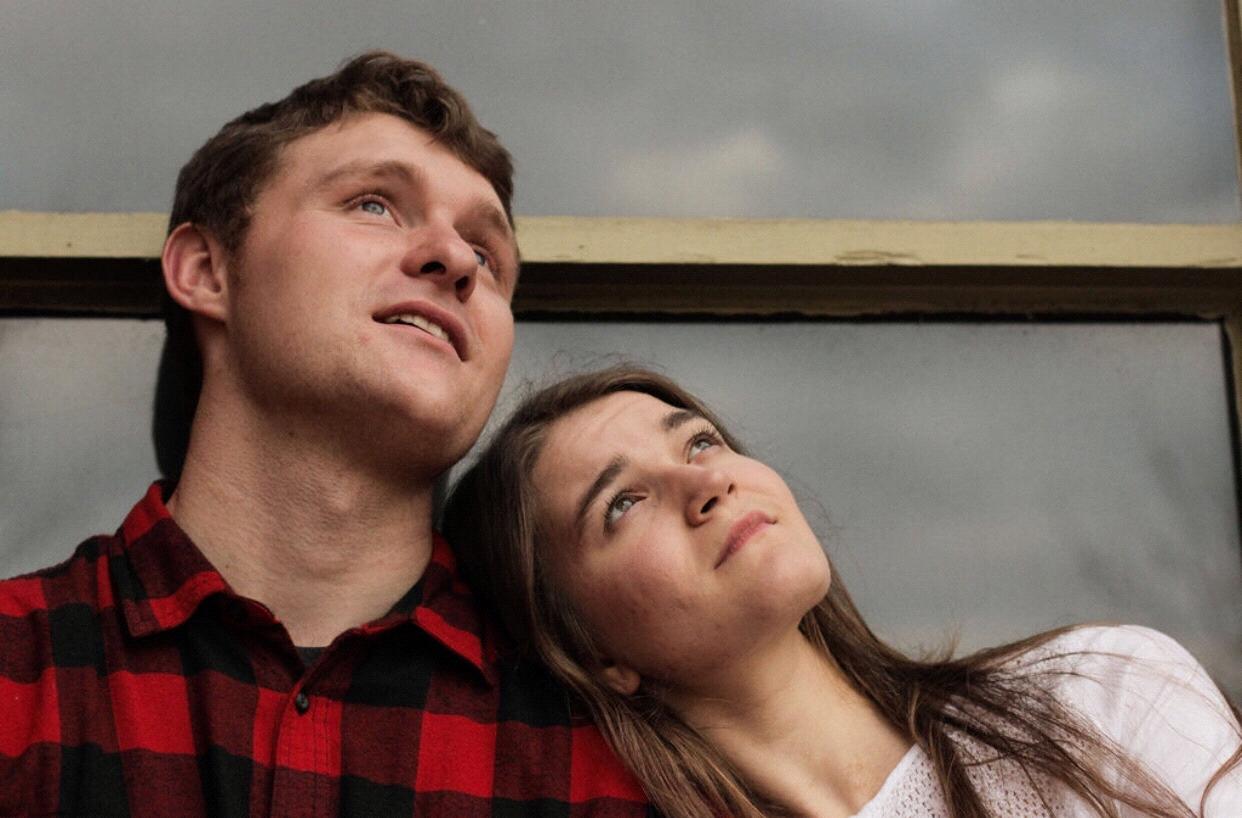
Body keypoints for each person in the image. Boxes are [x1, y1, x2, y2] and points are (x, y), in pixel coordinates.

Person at [0, 54, 652, 816]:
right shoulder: (17, 672)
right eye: (375, 205)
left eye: (486, 255)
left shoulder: (607, 764)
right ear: (207, 270)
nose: (455, 261)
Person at [443, 365, 1242, 818]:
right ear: (591, 651)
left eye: (700, 441)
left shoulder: (1100, 698)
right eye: (623, 503)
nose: (705, 482)